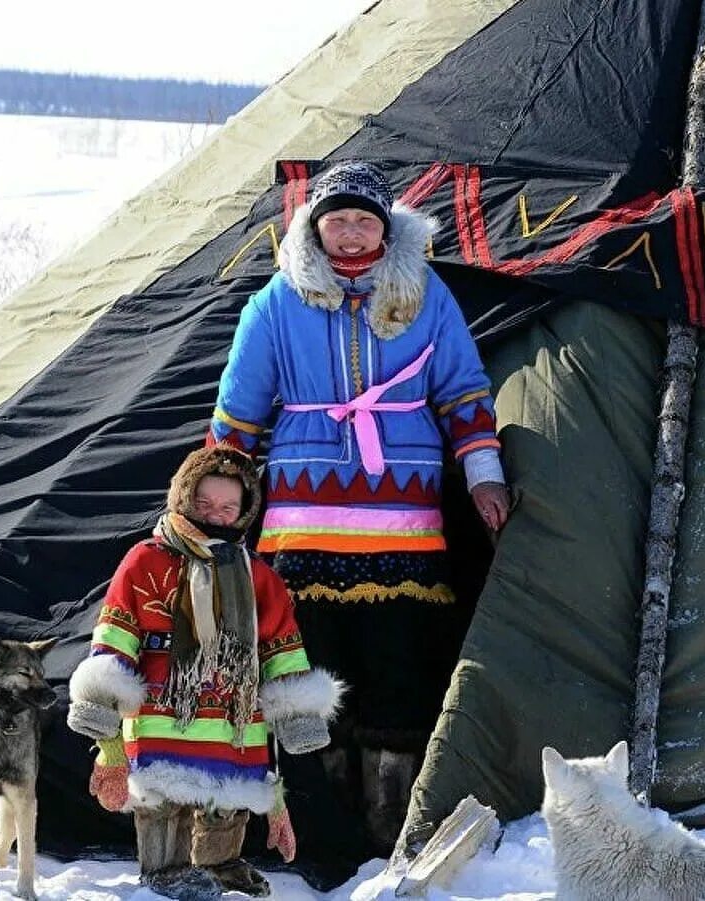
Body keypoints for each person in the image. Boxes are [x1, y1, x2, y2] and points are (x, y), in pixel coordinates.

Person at [206, 160, 510, 852]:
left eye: (362, 220)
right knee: (309, 677)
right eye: (336, 220)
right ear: (314, 227)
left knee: (395, 672)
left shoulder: (425, 295)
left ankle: (387, 827)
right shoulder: (277, 304)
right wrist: (214, 506)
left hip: (403, 531)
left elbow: (464, 395)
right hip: (301, 533)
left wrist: (484, 475)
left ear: (386, 226)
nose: (348, 234)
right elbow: (237, 419)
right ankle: (319, 828)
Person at [67, 445, 342, 900]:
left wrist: (296, 712)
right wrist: (102, 712)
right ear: (183, 496)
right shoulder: (144, 561)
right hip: (161, 711)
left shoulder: (260, 578)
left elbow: (282, 648)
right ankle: (165, 871)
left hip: (234, 716)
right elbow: (115, 636)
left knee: (227, 802)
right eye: (204, 503)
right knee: (164, 800)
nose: (215, 513)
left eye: (228, 505)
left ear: (244, 510)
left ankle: (220, 864)